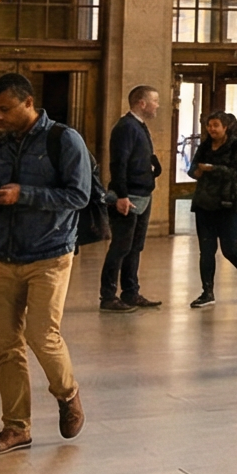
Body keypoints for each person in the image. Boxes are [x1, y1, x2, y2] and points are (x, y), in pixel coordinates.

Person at [0, 73, 91, 457]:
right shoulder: (0, 145)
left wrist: (24, 194)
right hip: (4, 253)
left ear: (28, 102)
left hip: (50, 253)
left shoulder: (63, 139)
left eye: (4, 109)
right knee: (7, 347)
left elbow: (79, 195)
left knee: (43, 336)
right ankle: (16, 428)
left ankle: (67, 393)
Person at [99, 85, 163, 312]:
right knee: (120, 246)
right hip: (129, 196)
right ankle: (108, 296)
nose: (158, 106)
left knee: (135, 246)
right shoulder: (126, 127)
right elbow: (119, 164)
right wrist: (122, 196)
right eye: (155, 101)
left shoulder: (140, 126)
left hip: (143, 193)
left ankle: (130, 292)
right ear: (142, 103)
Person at [186, 112, 237, 308]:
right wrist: (196, 171)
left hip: (230, 203)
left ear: (225, 127)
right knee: (206, 250)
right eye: (209, 125)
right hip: (205, 203)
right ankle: (207, 292)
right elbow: (193, 167)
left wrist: (212, 169)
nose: (212, 129)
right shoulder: (204, 145)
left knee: (230, 249)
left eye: (216, 125)